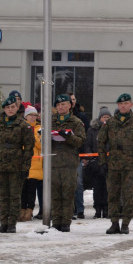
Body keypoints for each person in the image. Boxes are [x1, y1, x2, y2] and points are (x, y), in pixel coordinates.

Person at [98, 93, 133, 235]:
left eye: (126, 103)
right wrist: (102, 162)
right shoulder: (111, 123)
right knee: (112, 195)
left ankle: (125, 223)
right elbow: (101, 142)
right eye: (120, 104)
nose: (123, 106)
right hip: (113, 166)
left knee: (128, 196)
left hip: (130, 166)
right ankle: (114, 223)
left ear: (131, 105)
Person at [0, 94, 35, 234]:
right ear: (4, 109)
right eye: (7, 107)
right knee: (3, 196)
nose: (10, 110)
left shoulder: (23, 125)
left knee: (14, 196)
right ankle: (3, 222)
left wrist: (25, 167)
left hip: (16, 165)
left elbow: (29, 149)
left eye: (12, 107)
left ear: (17, 107)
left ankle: (12, 223)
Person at [50, 94, 86, 231]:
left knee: (67, 193)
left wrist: (69, 137)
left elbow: (81, 141)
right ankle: (56, 221)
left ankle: (65, 222)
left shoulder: (76, 122)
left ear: (70, 105)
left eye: (64, 104)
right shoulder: (51, 120)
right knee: (55, 194)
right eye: (58, 105)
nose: (61, 107)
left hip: (69, 163)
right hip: (53, 161)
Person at [84, 106, 111, 218]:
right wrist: (92, 158)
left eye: (108, 117)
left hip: (109, 163)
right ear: (100, 118)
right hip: (96, 164)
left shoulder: (112, 129)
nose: (105, 119)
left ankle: (106, 208)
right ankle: (97, 209)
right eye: (104, 117)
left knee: (107, 188)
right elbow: (88, 145)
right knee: (97, 189)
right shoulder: (92, 130)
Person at [20, 107, 43, 222]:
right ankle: (22, 210)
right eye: (31, 115)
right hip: (24, 163)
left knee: (31, 190)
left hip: (36, 165)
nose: (33, 117)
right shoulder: (21, 127)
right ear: (26, 116)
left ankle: (29, 210)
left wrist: (33, 136)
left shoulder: (40, 129)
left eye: (35, 115)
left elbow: (41, 145)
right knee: (23, 189)